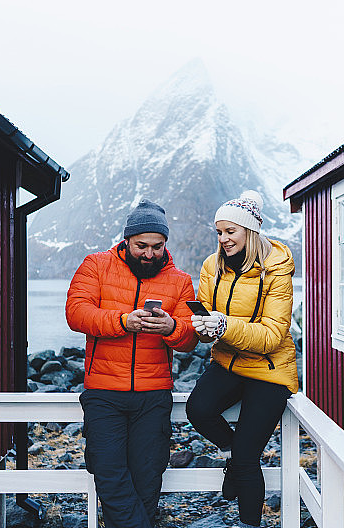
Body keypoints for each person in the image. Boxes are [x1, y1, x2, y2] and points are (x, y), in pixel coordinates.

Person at [66, 199, 198, 528]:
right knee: (109, 475)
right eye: (142, 245)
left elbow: (190, 338)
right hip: (103, 392)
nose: (149, 254)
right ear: (127, 240)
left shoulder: (180, 281)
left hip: (153, 395)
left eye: (157, 246)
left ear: (165, 243)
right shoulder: (96, 265)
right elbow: (76, 313)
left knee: (148, 478)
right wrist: (123, 321)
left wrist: (172, 329)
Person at [186, 190, 299, 528]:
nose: (223, 239)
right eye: (219, 232)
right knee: (198, 409)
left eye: (230, 231)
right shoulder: (212, 266)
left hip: (269, 370)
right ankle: (234, 458)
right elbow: (209, 324)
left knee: (249, 457)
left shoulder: (276, 268)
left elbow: (271, 336)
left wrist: (224, 324)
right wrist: (205, 328)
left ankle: (250, 521)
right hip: (228, 361)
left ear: (249, 230)